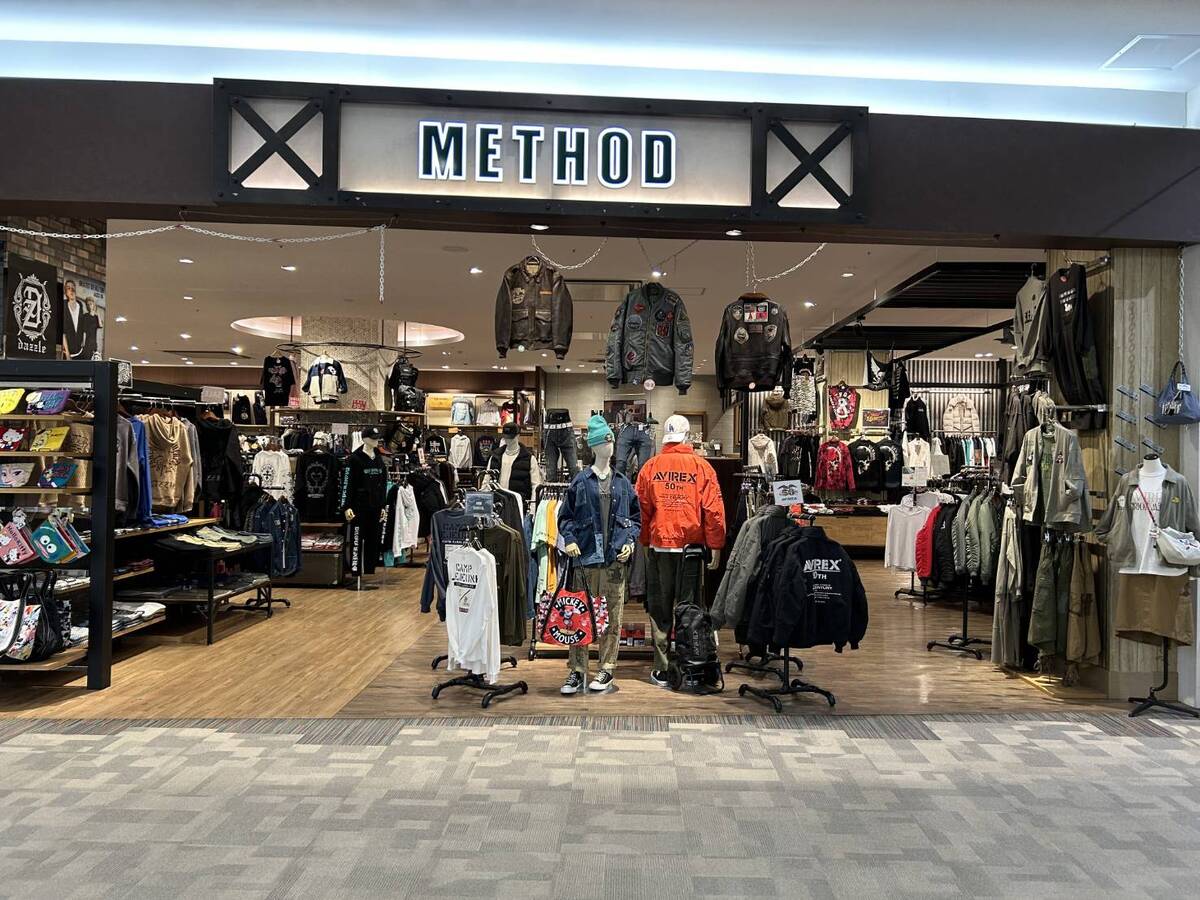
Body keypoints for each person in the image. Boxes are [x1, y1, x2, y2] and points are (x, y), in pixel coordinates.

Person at [557, 414, 640, 695]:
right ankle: (577, 670)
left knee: (612, 618)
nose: (609, 446)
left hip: (615, 560)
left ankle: (607, 668)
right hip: (585, 559)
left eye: (611, 441)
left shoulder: (623, 483)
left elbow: (636, 518)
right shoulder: (581, 481)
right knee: (580, 616)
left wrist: (630, 541)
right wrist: (569, 539)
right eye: (604, 442)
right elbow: (565, 517)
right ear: (593, 447)